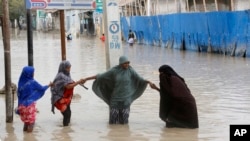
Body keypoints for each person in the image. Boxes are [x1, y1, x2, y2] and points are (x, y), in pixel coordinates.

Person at [83, 56, 152, 124]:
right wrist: (86, 79)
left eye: (128, 63)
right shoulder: (114, 70)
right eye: (125, 63)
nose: (127, 65)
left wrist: (149, 82)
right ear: (121, 63)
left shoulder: (130, 71)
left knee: (124, 122)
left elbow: (140, 79)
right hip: (115, 99)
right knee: (113, 122)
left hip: (126, 100)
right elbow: (100, 76)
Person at [17, 66, 53, 132]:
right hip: (29, 106)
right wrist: (49, 85)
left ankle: (25, 136)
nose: (34, 74)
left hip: (21, 106)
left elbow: (19, 95)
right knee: (31, 123)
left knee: (26, 122)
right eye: (33, 72)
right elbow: (41, 89)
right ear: (30, 74)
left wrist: (18, 108)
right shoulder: (32, 82)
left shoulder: (20, 83)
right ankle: (29, 137)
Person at [51, 60, 84, 126]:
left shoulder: (67, 75)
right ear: (63, 68)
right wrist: (77, 82)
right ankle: (65, 130)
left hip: (66, 97)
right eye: (67, 68)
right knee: (66, 114)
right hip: (59, 98)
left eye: (69, 67)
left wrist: (79, 82)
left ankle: (66, 132)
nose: (69, 69)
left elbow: (70, 82)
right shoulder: (60, 76)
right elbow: (68, 86)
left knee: (69, 113)